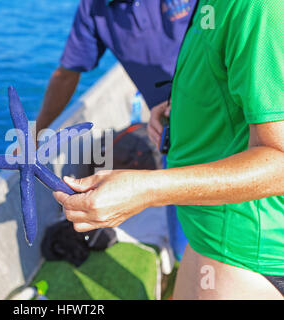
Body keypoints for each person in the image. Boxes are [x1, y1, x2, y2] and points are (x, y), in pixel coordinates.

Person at [53, 0, 284, 299]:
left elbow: (279, 161)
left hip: (245, 250)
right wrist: (185, 103)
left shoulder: (258, 7)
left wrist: (146, 190)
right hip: (208, 236)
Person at [36, 0, 198, 260]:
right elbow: (67, 74)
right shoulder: (93, 8)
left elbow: (227, 40)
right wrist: (37, 132)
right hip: (171, 131)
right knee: (186, 246)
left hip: (219, 113)